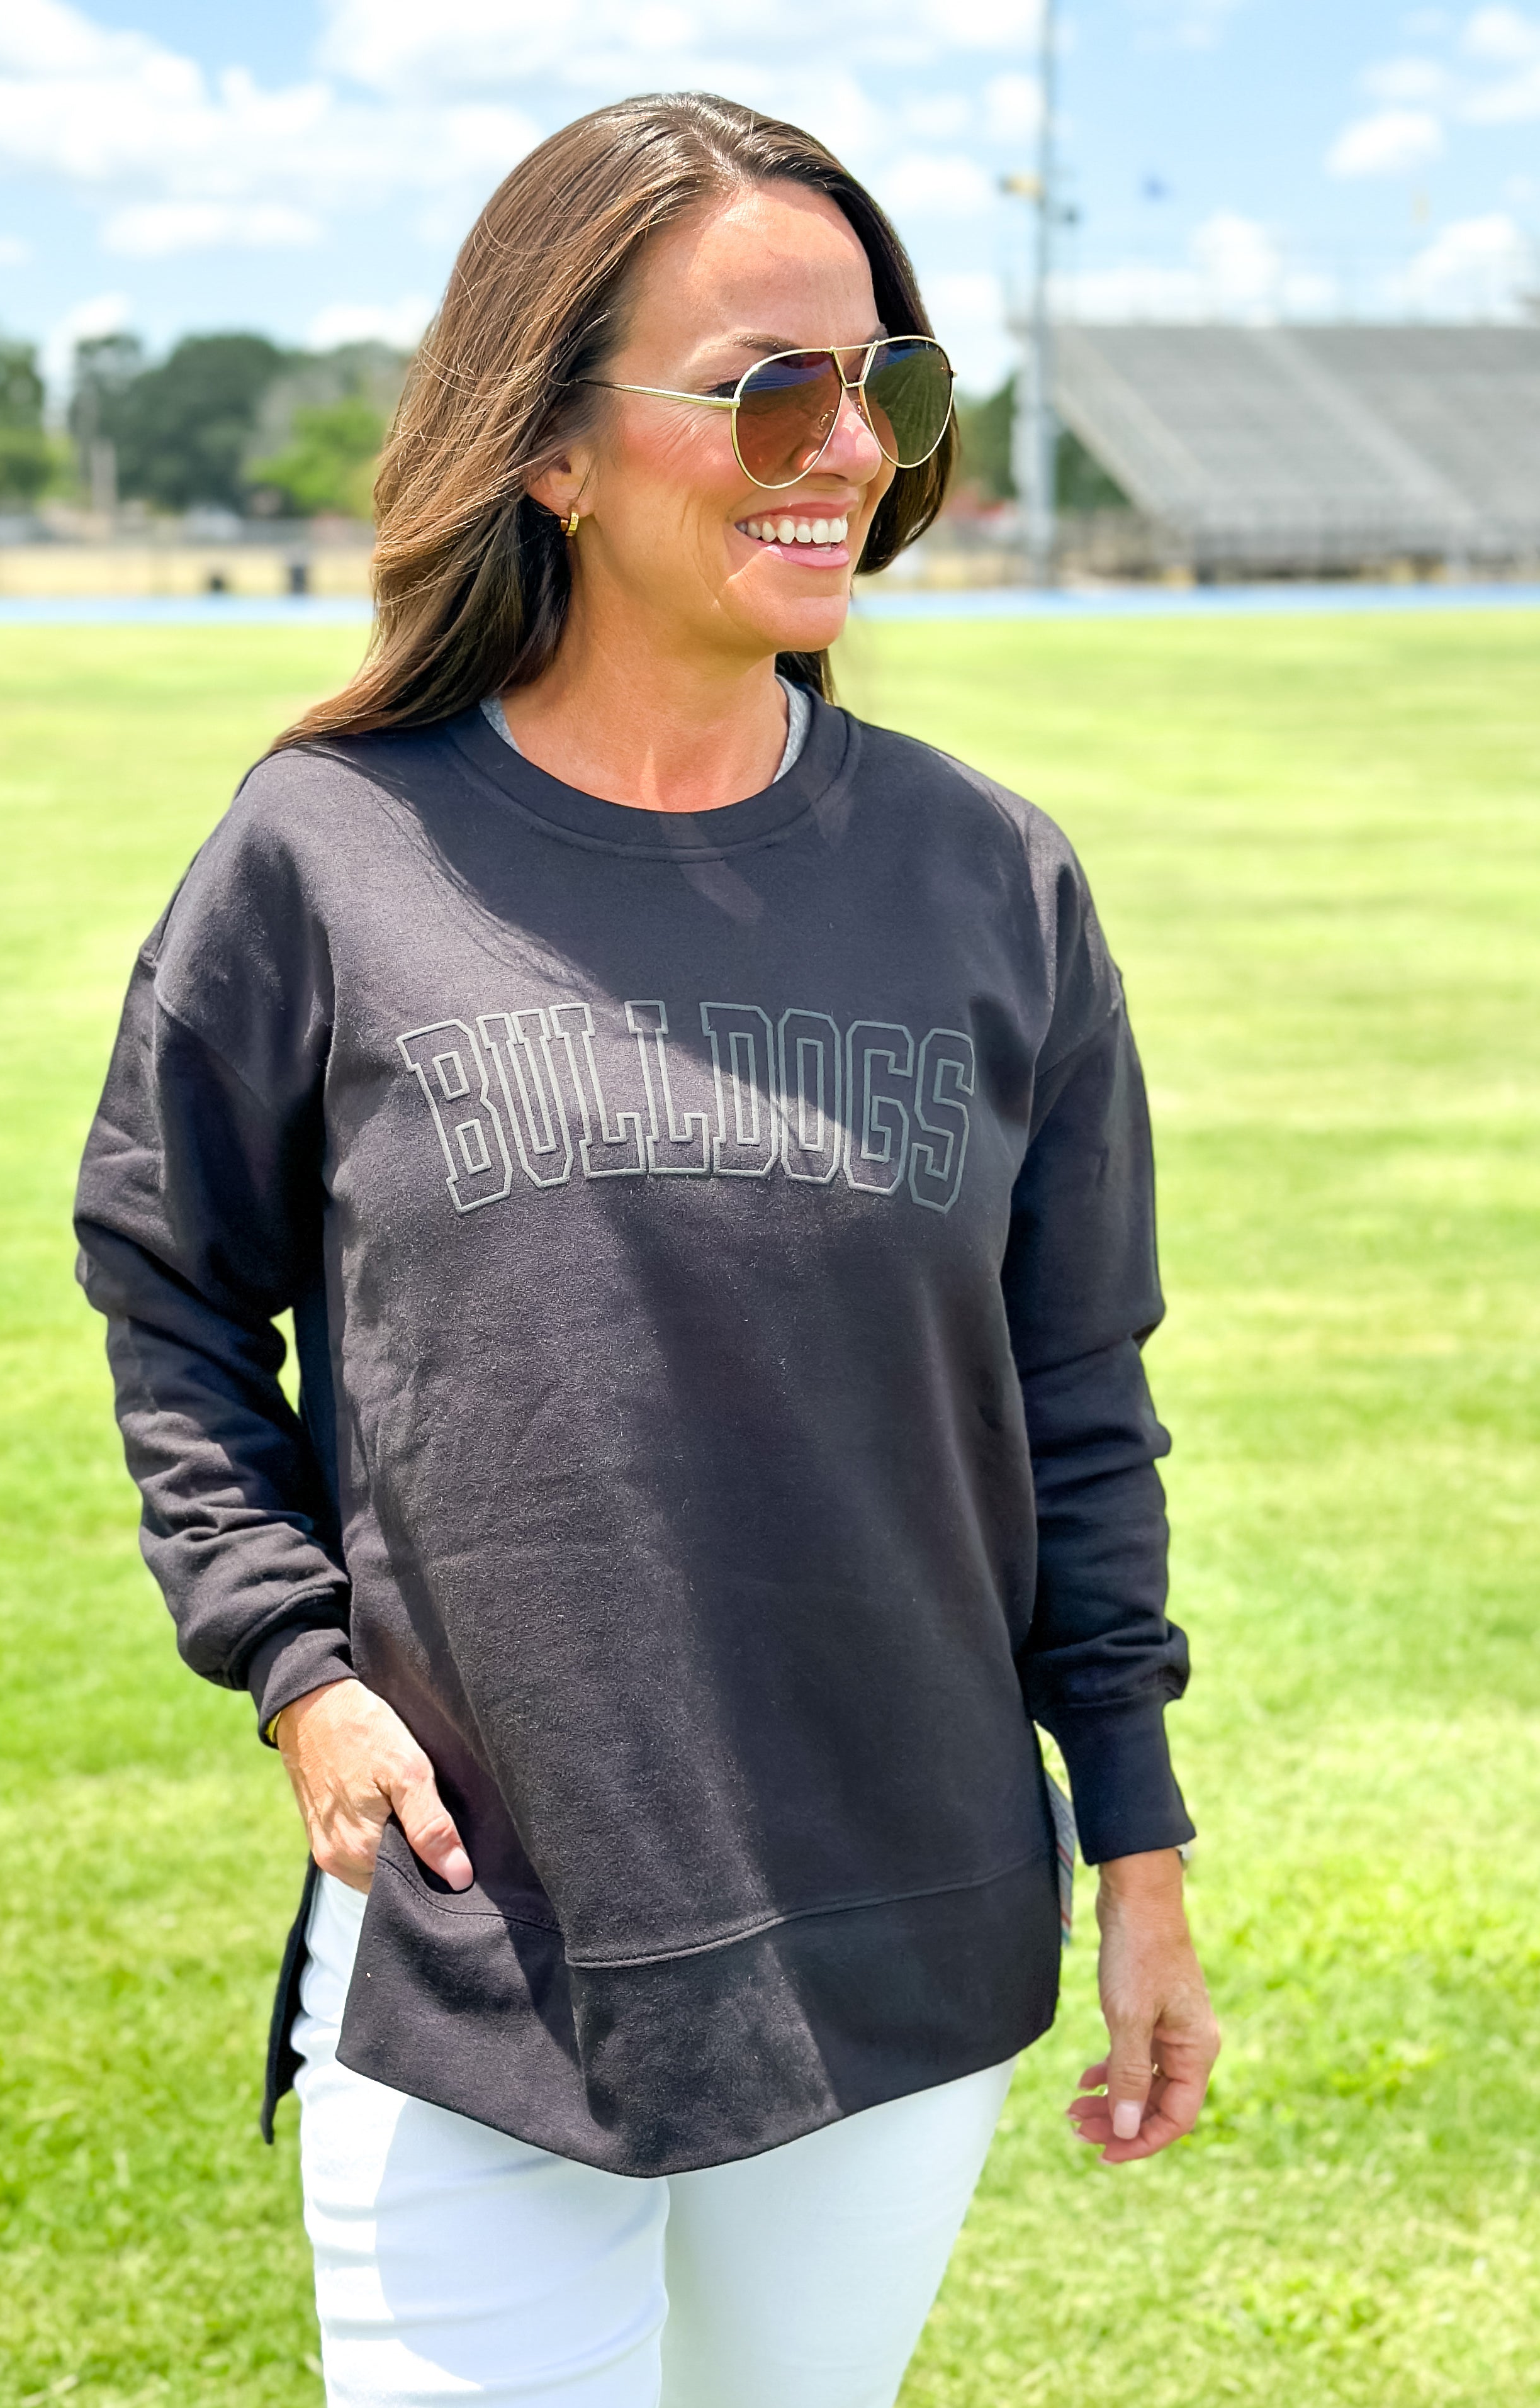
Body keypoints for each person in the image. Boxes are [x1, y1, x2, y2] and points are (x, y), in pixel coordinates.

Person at [75, 91, 1219, 2408]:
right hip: (479, 1940)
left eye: (890, 386)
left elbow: (1076, 1397)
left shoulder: (993, 880)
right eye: (769, 390)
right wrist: (295, 1663)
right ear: (553, 450)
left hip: (905, 1915)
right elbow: (171, 1282)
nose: (848, 453)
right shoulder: (329, 852)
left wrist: (1139, 1845)